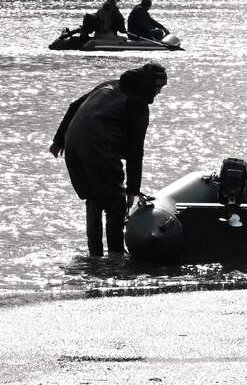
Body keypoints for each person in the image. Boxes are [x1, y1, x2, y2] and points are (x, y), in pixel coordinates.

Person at [51, 63, 168, 257]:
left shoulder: (107, 85)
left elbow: (74, 106)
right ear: (149, 86)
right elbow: (135, 150)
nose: (158, 93)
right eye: (158, 88)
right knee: (115, 202)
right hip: (98, 147)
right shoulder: (136, 104)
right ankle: (115, 255)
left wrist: (58, 140)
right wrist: (132, 190)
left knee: (94, 199)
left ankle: (95, 255)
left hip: (73, 145)